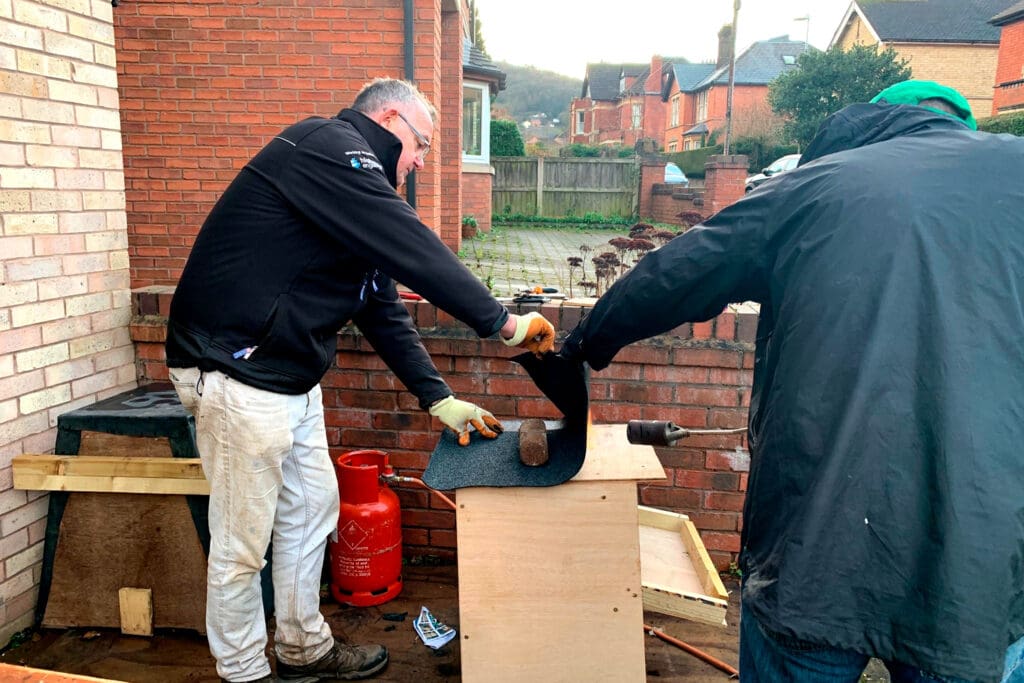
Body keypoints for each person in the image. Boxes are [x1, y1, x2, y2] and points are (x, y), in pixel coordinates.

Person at [559, 80, 1024, 683]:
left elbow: (676, 272)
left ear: (870, 121)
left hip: (819, 546)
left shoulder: (816, 186)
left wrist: (580, 344)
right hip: (982, 559)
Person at [165, 77, 554, 683]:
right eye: (421, 144)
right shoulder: (328, 146)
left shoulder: (349, 195)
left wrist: (438, 396)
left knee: (311, 513)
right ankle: (244, 671)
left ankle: (302, 649)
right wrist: (501, 323)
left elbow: (380, 306)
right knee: (243, 543)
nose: (422, 161)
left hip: (288, 378)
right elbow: (409, 242)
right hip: (234, 372)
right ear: (391, 119)